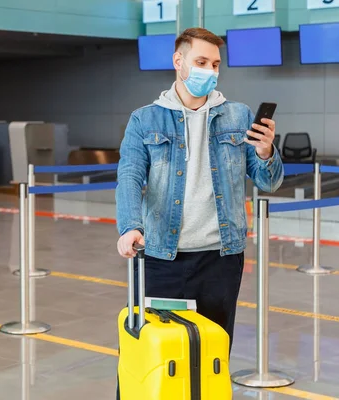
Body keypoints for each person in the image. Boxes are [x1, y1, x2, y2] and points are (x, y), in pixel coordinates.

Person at [115, 27, 283, 358]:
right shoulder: (145, 120)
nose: (210, 71)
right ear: (179, 61)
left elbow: (269, 182)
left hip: (220, 258)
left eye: (216, 64)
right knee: (150, 355)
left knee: (212, 355)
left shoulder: (238, 116)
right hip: (162, 256)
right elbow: (130, 175)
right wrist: (129, 225)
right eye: (201, 61)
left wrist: (266, 152)